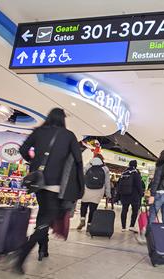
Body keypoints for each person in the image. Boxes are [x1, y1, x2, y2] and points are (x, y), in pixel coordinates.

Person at [16, 108, 84, 274]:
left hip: (38, 183)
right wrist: (79, 186)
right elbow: (78, 160)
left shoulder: (39, 131)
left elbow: (23, 149)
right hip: (56, 185)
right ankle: (21, 255)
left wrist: (34, 162)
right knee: (47, 218)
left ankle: (43, 248)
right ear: (62, 119)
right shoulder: (68, 135)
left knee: (43, 214)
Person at [77, 154, 111, 232]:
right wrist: (108, 194)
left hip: (87, 189)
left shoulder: (88, 165)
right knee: (93, 208)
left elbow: (81, 177)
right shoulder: (105, 169)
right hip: (99, 191)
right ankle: (89, 225)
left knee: (84, 205)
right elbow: (107, 183)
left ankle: (82, 218)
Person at [118, 160, 144, 232]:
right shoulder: (136, 173)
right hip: (134, 196)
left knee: (124, 210)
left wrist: (118, 195)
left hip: (124, 195)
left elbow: (119, 184)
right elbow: (139, 185)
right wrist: (141, 193)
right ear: (136, 165)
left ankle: (123, 227)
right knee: (135, 211)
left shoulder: (124, 173)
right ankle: (131, 226)